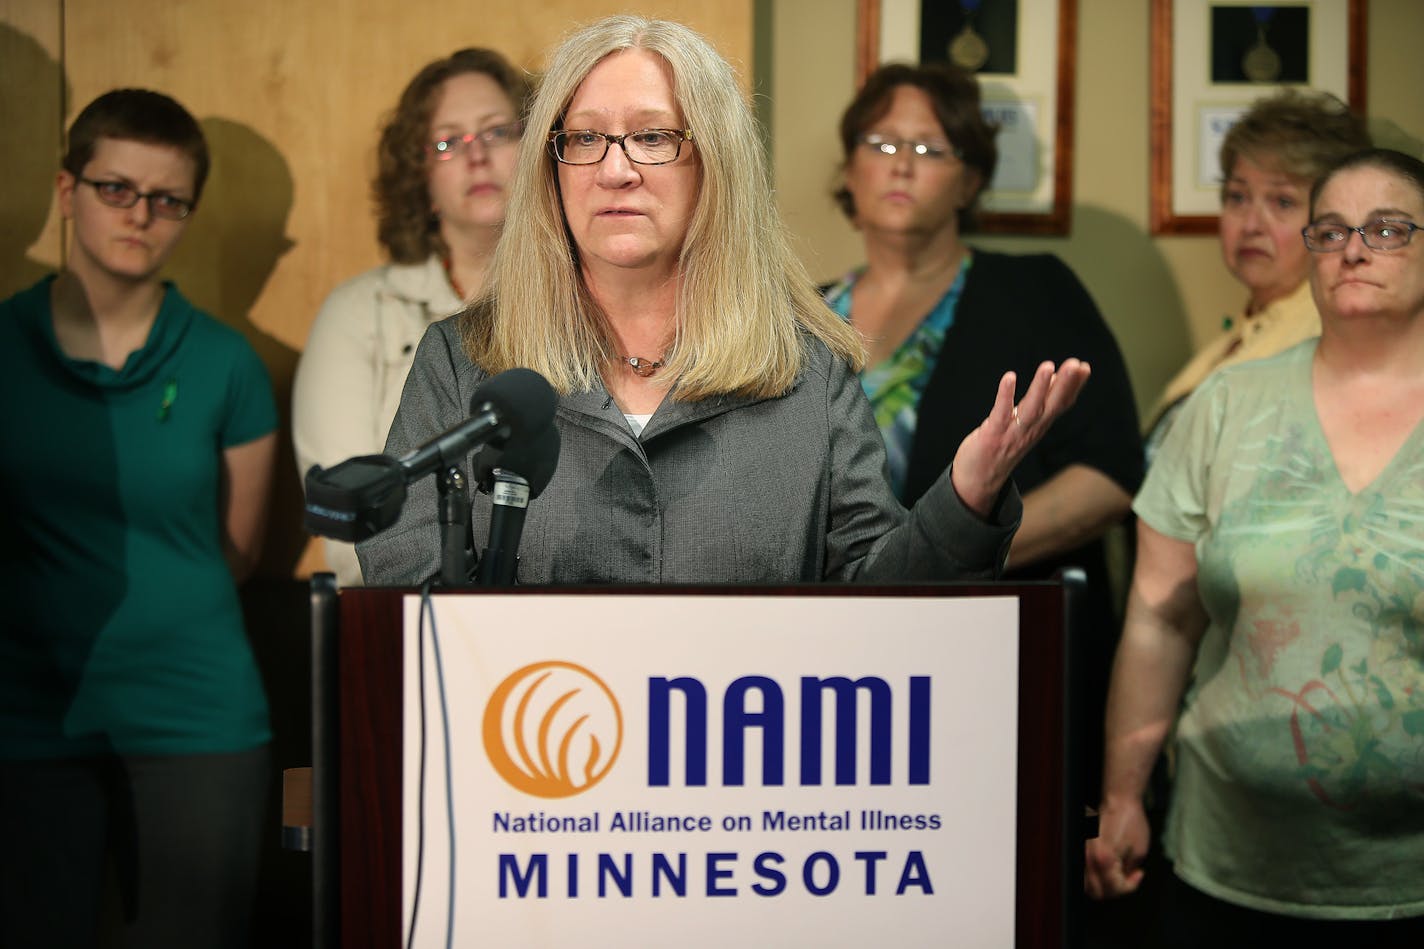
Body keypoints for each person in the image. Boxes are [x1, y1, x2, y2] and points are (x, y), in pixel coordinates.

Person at [356, 16, 1089, 588]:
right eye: (583, 138)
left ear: (716, 163)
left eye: (652, 137)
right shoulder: (461, 362)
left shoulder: (809, 371)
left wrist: (966, 497)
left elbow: (880, 608)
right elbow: (408, 602)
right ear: (551, 169)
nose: (615, 170)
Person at [1086, 148, 1424, 945]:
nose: (1353, 248)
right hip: (1228, 867)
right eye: (1332, 229)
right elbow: (1159, 619)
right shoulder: (1226, 404)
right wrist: (1122, 795)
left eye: (1387, 229)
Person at [0, 90, 278, 948]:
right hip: (25, 710)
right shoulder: (3, 346)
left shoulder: (228, 363)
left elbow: (237, 549)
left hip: (198, 716)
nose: (141, 215)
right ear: (66, 188)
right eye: (116, 188)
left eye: (166, 200)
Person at [824, 61, 1141, 797]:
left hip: (1002, 656)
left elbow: (1112, 473)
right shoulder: (803, 316)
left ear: (970, 181)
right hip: (839, 665)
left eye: (933, 149)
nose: (902, 164)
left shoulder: (1034, 292)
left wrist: (938, 563)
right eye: (881, 142)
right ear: (848, 168)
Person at [293, 48, 530, 585]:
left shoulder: (585, 303)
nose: (476, 156)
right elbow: (349, 525)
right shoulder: (360, 314)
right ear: (418, 180)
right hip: (400, 618)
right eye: (447, 143)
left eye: (496, 132)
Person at [1145, 90, 1370, 456]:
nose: (1251, 224)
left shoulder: (1330, 340)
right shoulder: (1242, 332)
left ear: (1334, 225)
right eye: (1237, 197)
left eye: (1282, 201)